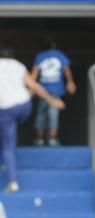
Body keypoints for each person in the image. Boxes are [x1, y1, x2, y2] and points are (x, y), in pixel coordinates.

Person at [0, 46, 64, 192]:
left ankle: (13, 182)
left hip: (6, 110)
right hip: (24, 106)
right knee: (7, 131)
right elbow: (34, 85)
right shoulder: (18, 65)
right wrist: (52, 100)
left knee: (8, 146)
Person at [30, 37, 76, 147]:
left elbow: (34, 73)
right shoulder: (58, 54)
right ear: (54, 44)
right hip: (53, 89)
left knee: (41, 114)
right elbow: (66, 69)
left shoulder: (40, 56)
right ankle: (52, 139)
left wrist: (31, 88)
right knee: (52, 114)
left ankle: (40, 139)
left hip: (42, 90)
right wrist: (70, 82)